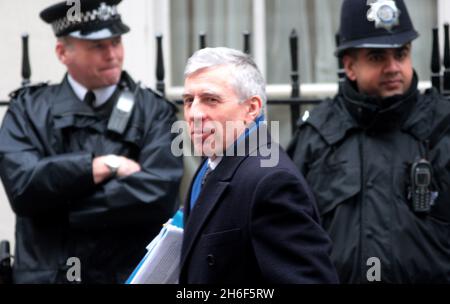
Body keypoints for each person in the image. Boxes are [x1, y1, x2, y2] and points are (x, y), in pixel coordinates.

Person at [0, 0, 183, 283]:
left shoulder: (153, 111)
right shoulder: (28, 111)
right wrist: (102, 165)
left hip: (128, 276)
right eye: (98, 46)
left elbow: (160, 192)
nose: (113, 55)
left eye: (116, 42)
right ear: (62, 52)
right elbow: (23, 187)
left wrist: (57, 207)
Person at [288, 0, 450, 283]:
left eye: (401, 54)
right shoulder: (316, 137)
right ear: (350, 66)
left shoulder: (443, 128)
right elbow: (288, 237)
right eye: (377, 57)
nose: (393, 68)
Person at [179, 47, 338, 284]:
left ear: (251, 108)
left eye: (211, 99)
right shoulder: (210, 164)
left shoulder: (272, 181)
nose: (194, 113)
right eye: (189, 100)